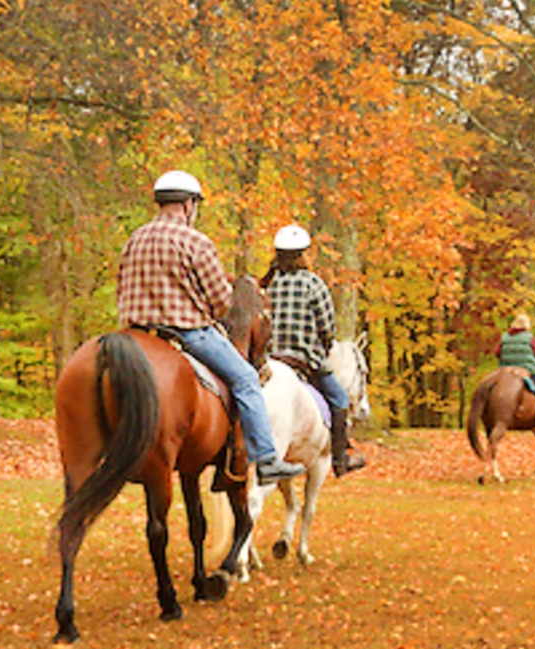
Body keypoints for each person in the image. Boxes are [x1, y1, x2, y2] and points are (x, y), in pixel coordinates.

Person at [117, 170, 305, 485]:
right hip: (187, 333)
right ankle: (266, 459)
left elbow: (122, 286)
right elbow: (221, 301)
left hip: (136, 333)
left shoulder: (135, 238)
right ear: (189, 205)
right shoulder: (195, 241)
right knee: (246, 378)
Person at [262, 224, 367, 477]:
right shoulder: (313, 284)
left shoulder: (268, 285)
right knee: (340, 400)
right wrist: (325, 345)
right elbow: (327, 328)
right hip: (304, 361)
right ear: (303, 254)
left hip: (271, 359)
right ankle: (341, 460)